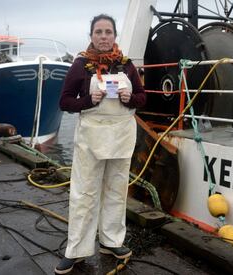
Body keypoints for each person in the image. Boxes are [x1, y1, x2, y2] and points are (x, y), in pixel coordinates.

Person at [55, 14, 146, 274]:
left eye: (108, 32)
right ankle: (76, 250)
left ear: (114, 36)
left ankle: (111, 241)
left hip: (121, 137)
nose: (104, 36)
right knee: (84, 194)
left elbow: (142, 98)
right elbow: (65, 102)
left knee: (116, 191)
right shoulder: (80, 65)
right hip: (91, 140)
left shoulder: (127, 65)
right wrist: (88, 100)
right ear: (91, 36)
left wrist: (130, 98)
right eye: (98, 32)